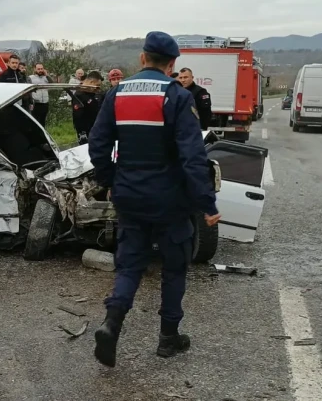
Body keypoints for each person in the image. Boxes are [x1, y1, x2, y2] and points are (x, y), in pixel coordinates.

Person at [87, 31, 221, 368]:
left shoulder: (116, 94)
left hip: (130, 195)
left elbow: (98, 145)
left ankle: (111, 325)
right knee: (174, 267)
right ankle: (168, 338)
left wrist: (111, 180)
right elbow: (192, 156)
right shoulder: (176, 96)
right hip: (171, 200)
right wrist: (207, 203)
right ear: (172, 64)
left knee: (130, 264)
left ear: (142, 58)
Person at [69, 70, 104, 144]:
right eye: (97, 85)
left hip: (96, 129)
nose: (98, 88)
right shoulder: (79, 96)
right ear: (91, 82)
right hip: (87, 133)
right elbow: (78, 117)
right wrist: (82, 134)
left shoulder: (92, 94)